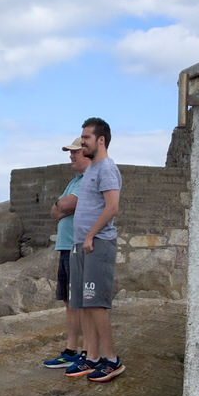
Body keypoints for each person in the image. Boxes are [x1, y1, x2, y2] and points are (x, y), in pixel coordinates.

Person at [64, 117, 124, 382]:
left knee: (96, 303)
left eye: (86, 137)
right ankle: (92, 356)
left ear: (100, 140)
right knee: (83, 303)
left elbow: (112, 207)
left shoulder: (107, 169)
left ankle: (112, 359)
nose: (82, 141)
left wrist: (90, 235)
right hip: (81, 245)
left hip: (97, 243)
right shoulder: (90, 170)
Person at [41, 138, 93, 369]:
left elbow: (63, 206)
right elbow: (56, 210)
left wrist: (63, 206)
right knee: (69, 302)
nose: (71, 156)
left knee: (80, 302)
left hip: (77, 247)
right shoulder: (74, 181)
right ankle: (71, 350)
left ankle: (86, 352)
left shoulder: (90, 179)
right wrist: (62, 206)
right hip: (65, 247)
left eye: (75, 152)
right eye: (70, 153)